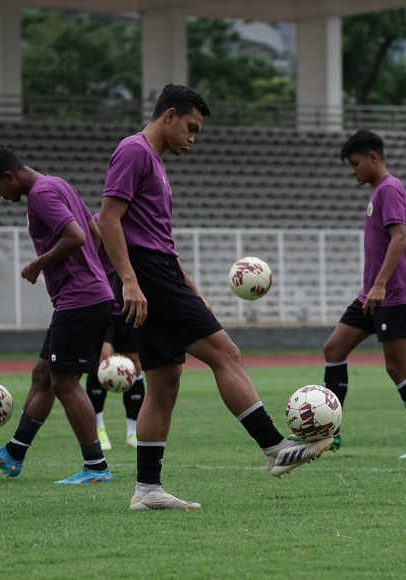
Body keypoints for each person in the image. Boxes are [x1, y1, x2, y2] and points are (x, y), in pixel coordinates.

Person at [97, 83, 332, 511]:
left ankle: (147, 490)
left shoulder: (153, 161)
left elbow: (155, 238)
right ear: (169, 115)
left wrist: (191, 289)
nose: (192, 137)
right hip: (147, 276)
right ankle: (274, 448)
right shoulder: (134, 151)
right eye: (190, 127)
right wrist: (129, 280)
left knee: (163, 383)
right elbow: (108, 219)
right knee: (226, 353)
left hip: (158, 274)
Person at [0, 144, 114, 484]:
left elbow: (76, 237)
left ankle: (96, 466)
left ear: (8, 176)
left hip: (81, 298)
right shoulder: (58, 183)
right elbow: (93, 232)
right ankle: (13, 454)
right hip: (84, 295)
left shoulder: (40, 194)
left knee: (64, 382)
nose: (0, 196)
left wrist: (39, 264)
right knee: (43, 374)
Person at [319, 129, 406, 460]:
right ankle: (330, 433)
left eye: (356, 163)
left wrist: (384, 283)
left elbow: (400, 238)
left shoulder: (390, 188)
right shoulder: (380, 192)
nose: (353, 171)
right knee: (334, 348)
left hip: (392, 296)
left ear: (374, 157)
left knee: (397, 368)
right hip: (372, 295)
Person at [87, 216, 146, 451]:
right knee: (103, 361)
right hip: (102, 306)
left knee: (134, 365)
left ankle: (133, 432)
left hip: (128, 306)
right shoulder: (98, 222)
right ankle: (98, 429)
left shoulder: (137, 226)